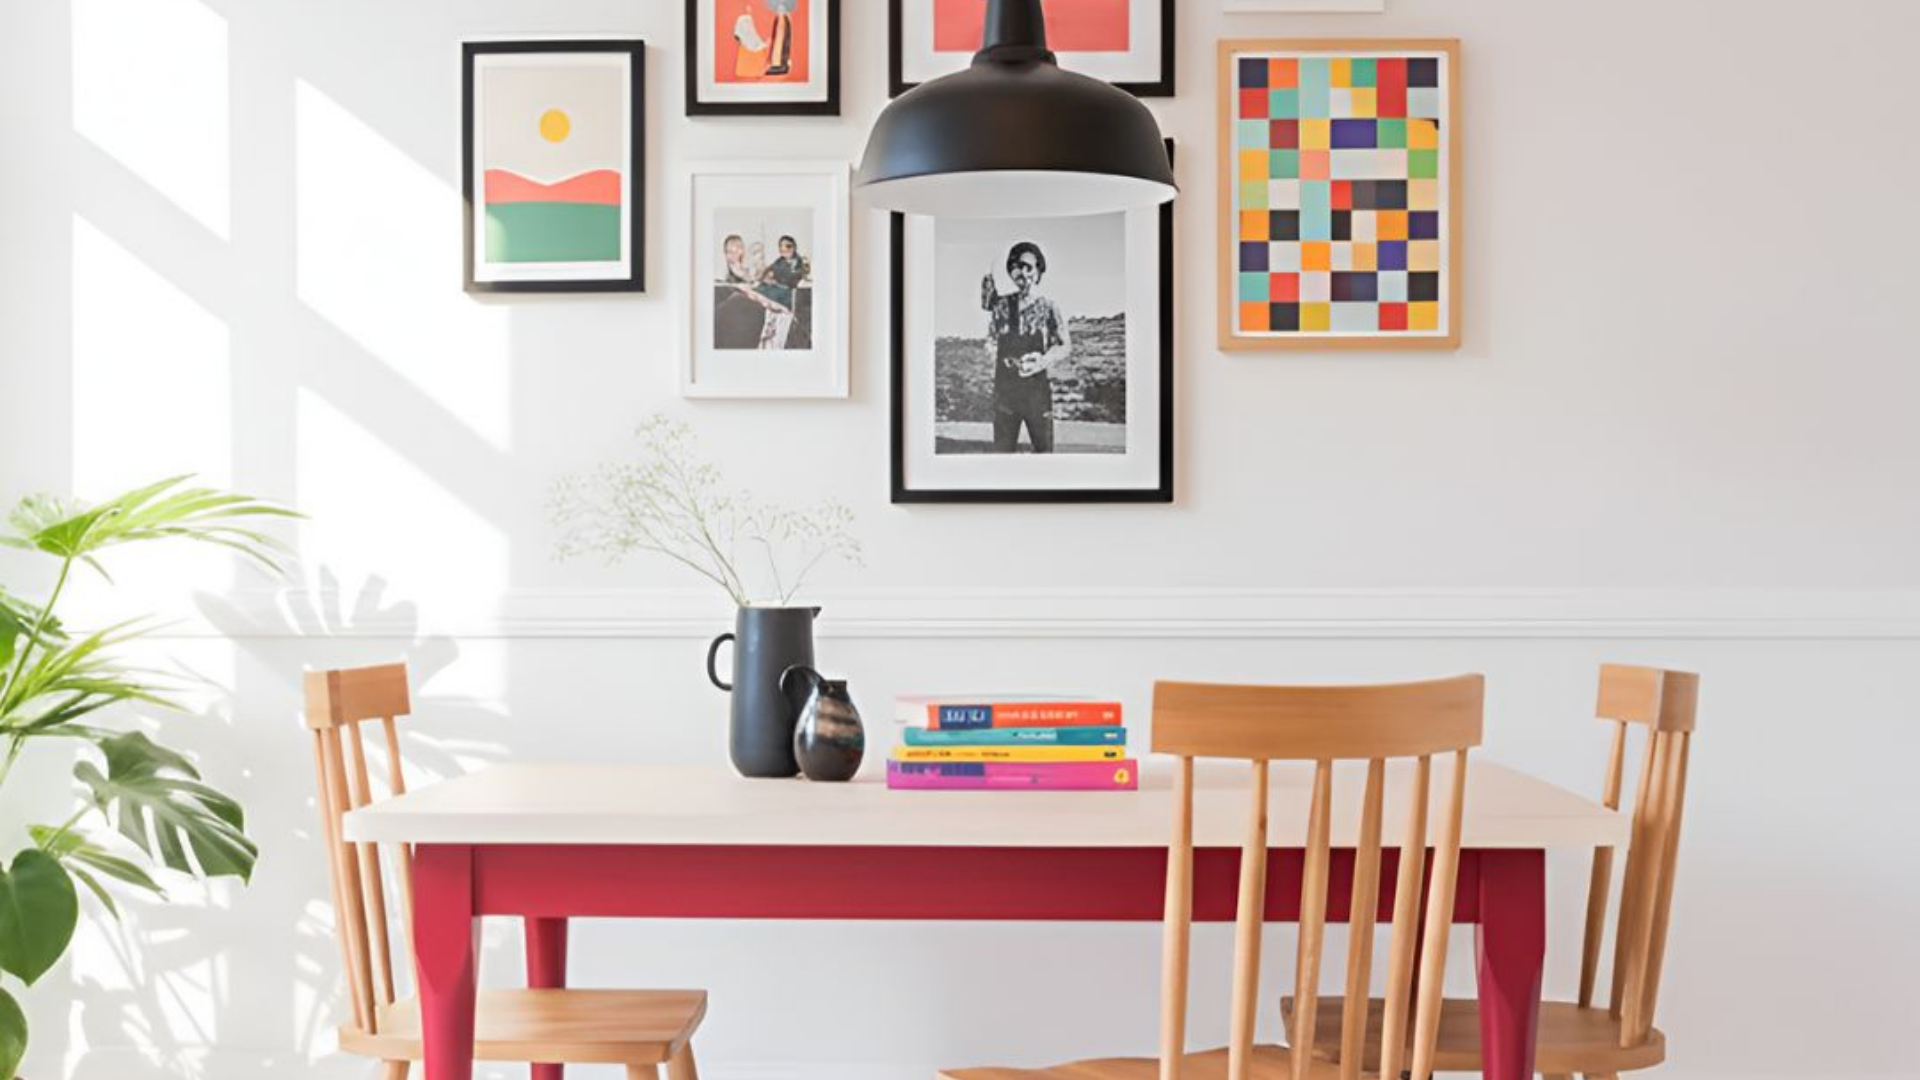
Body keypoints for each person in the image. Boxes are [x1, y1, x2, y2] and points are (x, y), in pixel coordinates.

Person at [981, 240, 1070, 453]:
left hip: (1037, 393)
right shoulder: (1001, 306)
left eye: (1027, 267)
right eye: (1015, 267)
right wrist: (997, 356)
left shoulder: (1049, 307)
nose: (1022, 272)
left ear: (1038, 271)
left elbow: (1064, 345)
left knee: (1044, 452)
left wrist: (1042, 361)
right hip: (1005, 392)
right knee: (1002, 453)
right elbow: (990, 339)